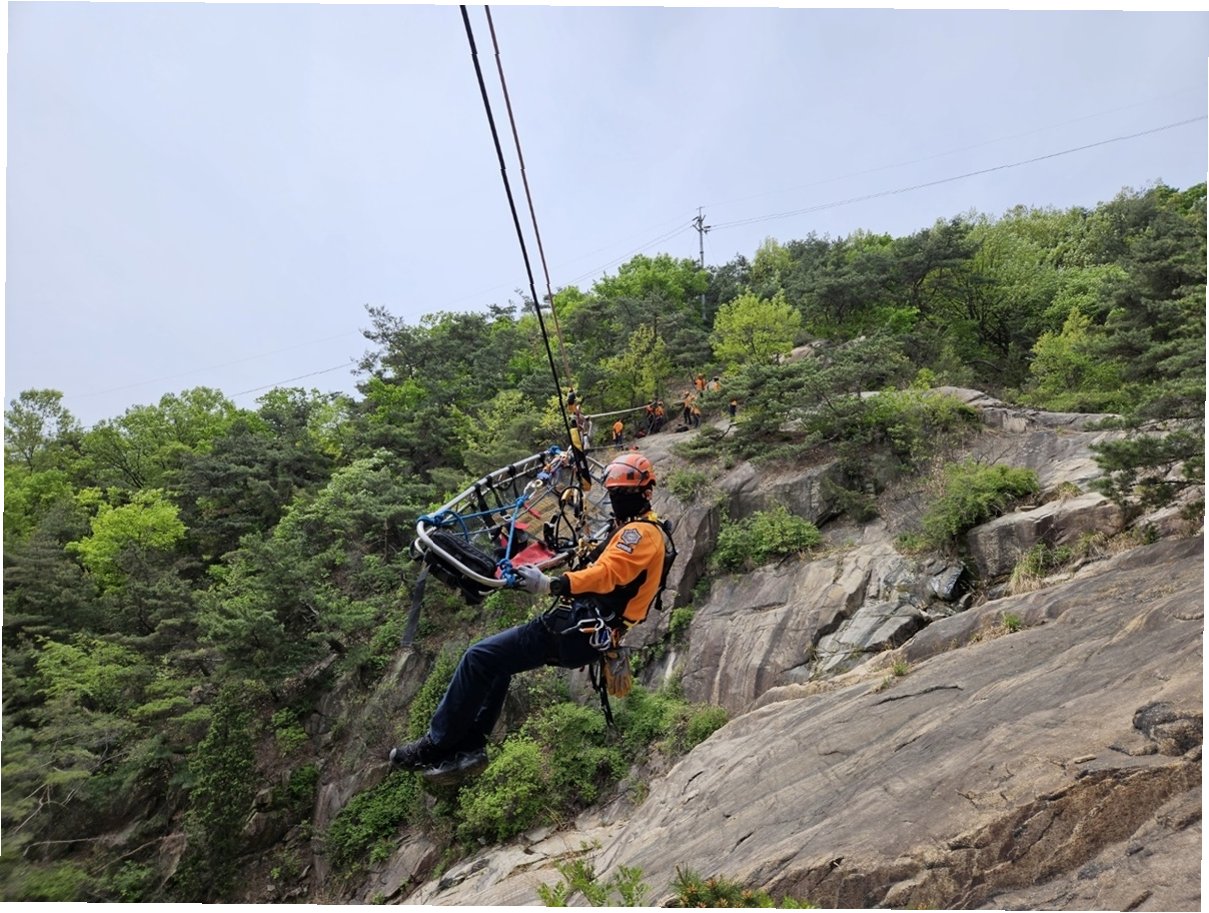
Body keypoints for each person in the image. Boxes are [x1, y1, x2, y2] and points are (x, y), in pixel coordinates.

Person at [388, 452, 671, 783]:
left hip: (578, 627)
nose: (615, 499)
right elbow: (602, 567)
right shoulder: (631, 529)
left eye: (620, 494)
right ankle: (469, 748)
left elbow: (608, 574)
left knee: (478, 658)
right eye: (613, 493)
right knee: (497, 664)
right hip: (585, 629)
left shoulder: (640, 534)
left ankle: (434, 746)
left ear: (644, 493)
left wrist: (553, 584)